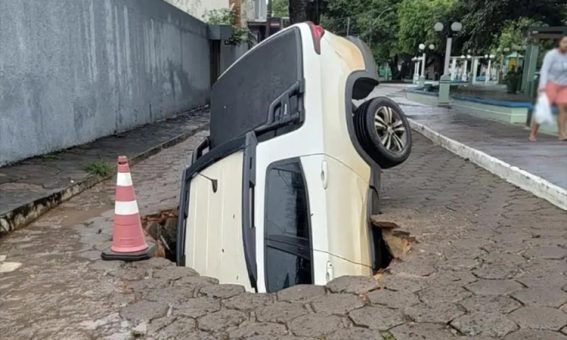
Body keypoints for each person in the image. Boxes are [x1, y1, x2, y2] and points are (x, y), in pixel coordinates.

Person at [529, 35, 567, 141]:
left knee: (564, 107)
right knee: (543, 108)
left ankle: (562, 133)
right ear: (559, 43)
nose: (566, 45)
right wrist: (542, 87)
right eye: (564, 42)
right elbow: (544, 70)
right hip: (551, 84)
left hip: (564, 85)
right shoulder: (551, 55)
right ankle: (533, 133)